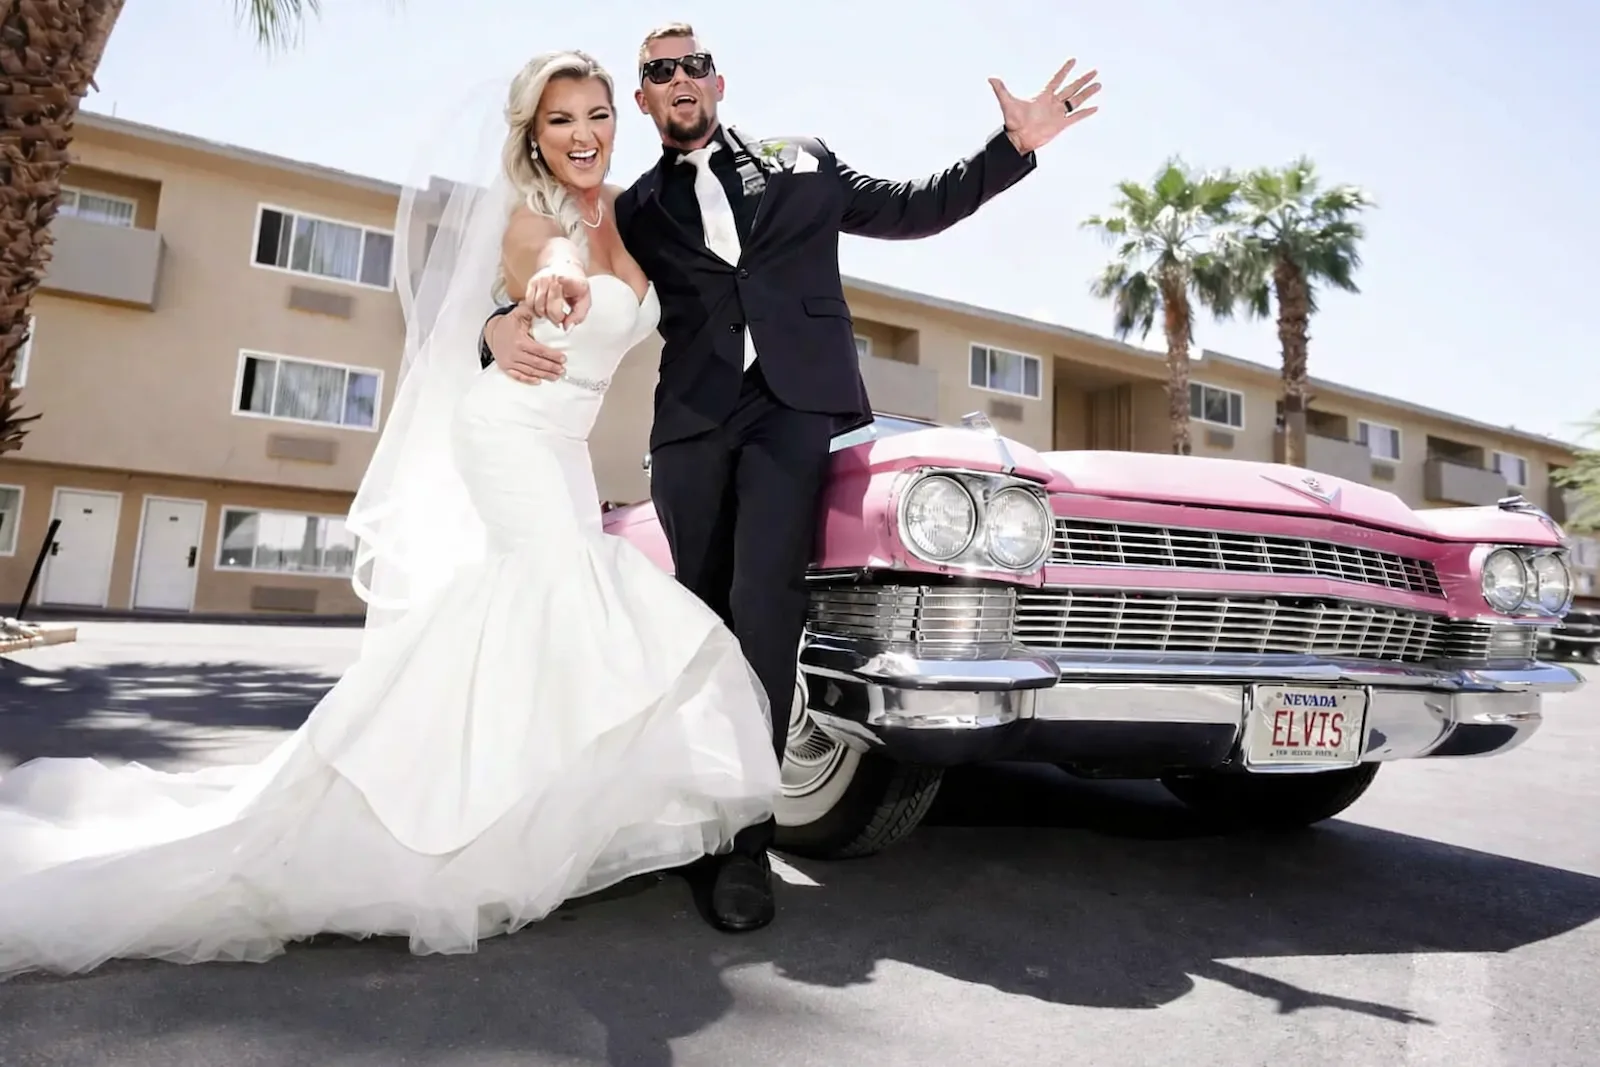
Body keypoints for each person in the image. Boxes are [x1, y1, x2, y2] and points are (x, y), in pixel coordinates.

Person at [0, 50, 785, 982]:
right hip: (510, 433)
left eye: (597, 114)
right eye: (560, 120)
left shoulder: (635, 207)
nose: (583, 135)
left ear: (622, 118)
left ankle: (501, 802)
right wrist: (531, 297)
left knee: (524, 619)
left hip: (564, 445)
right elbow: (548, 264)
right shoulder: (534, 217)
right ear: (533, 136)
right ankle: (436, 822)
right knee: (575, 600)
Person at [481, 23, 1101, 930]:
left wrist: (1012, 148)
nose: (679, 79)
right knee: (692, 617)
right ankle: (672, 817)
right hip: (693, 426)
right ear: (645, 101)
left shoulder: (803, 161)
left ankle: (743, 843)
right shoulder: (637, 209)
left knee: (766, 606)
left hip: (792, 411)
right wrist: (495, 330)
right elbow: (551, 265)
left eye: (693, 64)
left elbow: (913, 206)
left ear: (718, 83)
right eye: (658, 72)